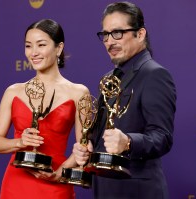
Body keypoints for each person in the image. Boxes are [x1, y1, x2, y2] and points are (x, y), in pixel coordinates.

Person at [73, 2, 177, 199]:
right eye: (105, 35)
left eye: (118, 33)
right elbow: (103, 134)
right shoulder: (109, 78)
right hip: (104, 188)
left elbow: (162, 137)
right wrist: (86, 147)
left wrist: (128, 141)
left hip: (136, 191)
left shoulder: (155, 74)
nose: (110, 41)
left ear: (140, 34)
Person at [0, 19, 89, 199]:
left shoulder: (79, 92)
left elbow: (83, 145)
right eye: (28, 46)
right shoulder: (13, 91)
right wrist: (20, 142)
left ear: (59, 48)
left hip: (56, 180)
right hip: (17, 182)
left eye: (41, 45)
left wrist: (60, 173)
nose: (33, 53)